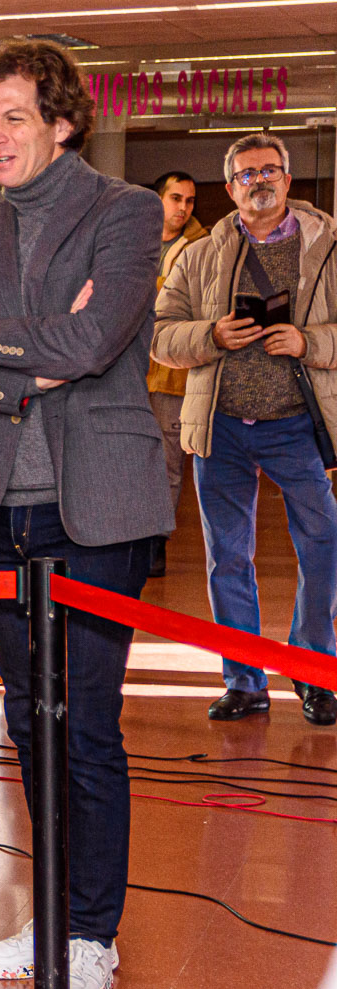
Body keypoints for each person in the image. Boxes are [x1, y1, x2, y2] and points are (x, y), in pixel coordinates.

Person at [0, 40, 170, 989]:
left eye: (13, 116)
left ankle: (93, 931)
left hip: (95, 508)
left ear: (62, 122)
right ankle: (51, 911)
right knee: (26, 724)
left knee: (88, 725)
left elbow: (95, 340)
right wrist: (10, 354)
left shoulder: (125, 212)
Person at [151, 134, 337, 727]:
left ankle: (314, 672)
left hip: (295, 427)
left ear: (288, 180)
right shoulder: (200, 253)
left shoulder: (328, 246)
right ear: (229, 187)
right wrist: (211, 336)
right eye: (247, 173)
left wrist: (311, 342)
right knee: (226, 557)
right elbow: (160, 332)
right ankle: (244, 680)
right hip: (221, 427)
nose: (261, 180)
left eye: (271, 170)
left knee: (324, 544)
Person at [147, 170, 207, 578]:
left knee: (167, 464)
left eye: (188, 200)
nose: (182, 207)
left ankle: (155, 544)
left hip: (172, 376)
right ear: (158, 200)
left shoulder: (201, 248)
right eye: (175, 198)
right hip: (130, 371)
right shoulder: (135, 237)